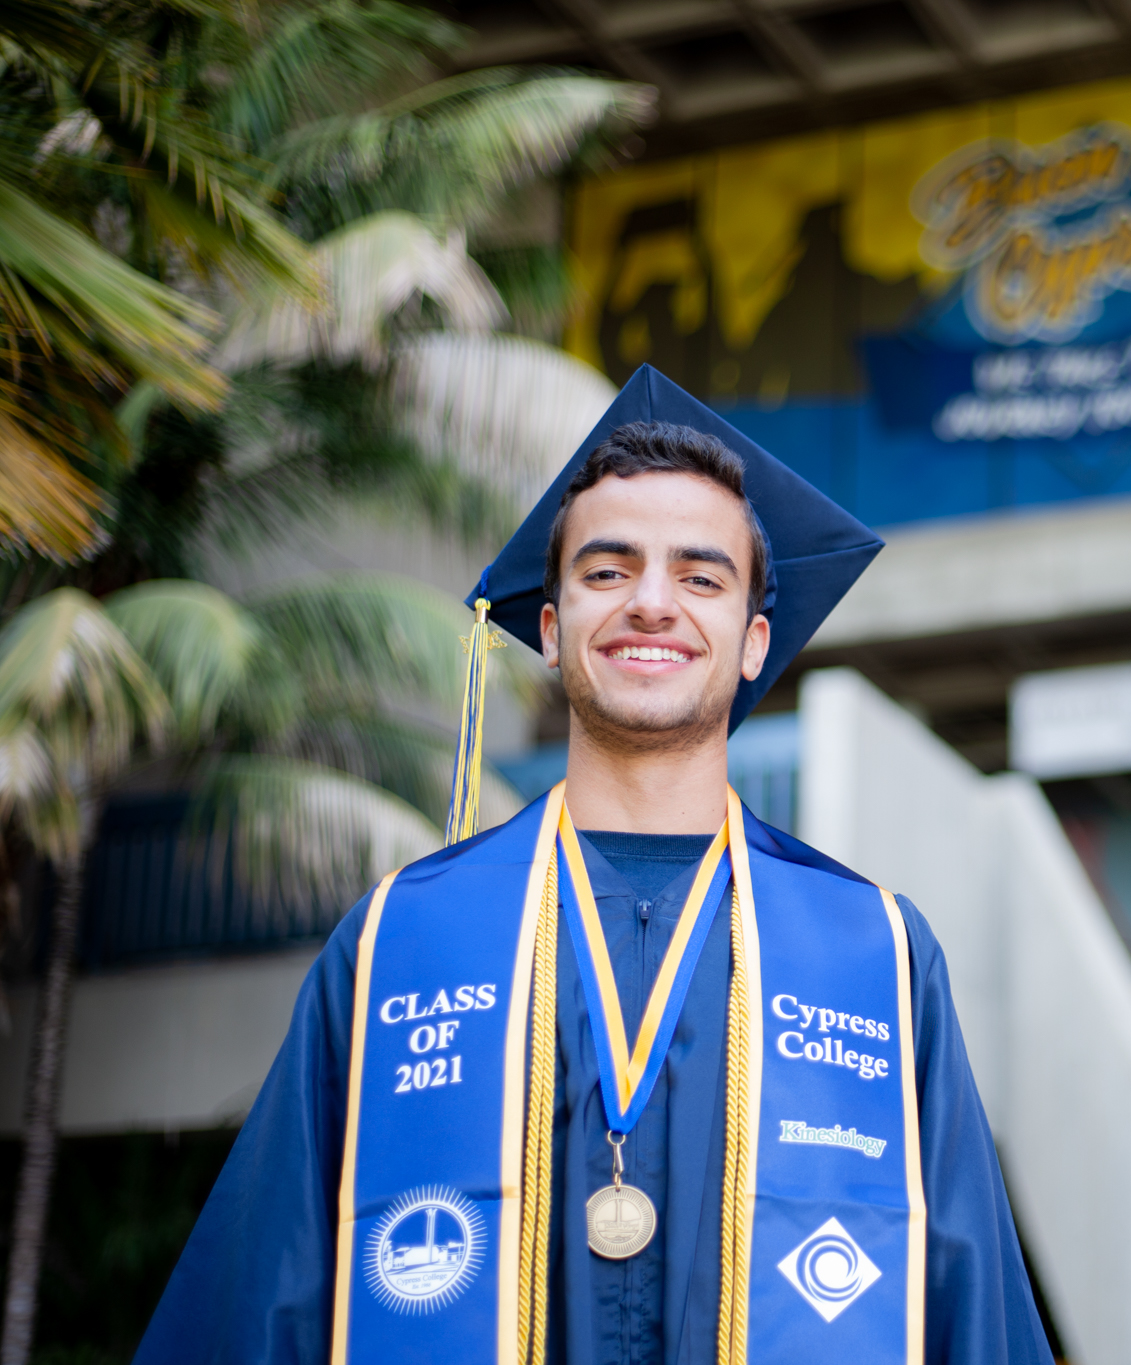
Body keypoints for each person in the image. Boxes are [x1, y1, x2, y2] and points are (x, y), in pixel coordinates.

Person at [136, 367, 1055, 1365]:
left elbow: (976, 1322)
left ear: (754, 642)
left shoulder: (871, 955)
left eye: (700, 577)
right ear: (549, 624)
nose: (651, 604)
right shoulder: (402, 941)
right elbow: (252, 1314)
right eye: (607, 572)